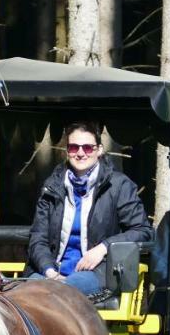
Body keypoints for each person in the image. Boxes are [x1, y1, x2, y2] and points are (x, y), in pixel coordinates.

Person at [27, 121, 153, 297]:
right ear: (67, 151)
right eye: (73, 148)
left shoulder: (118, 186)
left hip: (99, 271)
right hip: (52, 272)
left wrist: (104, 248)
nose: (80, 153)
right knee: (24, 294)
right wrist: (50, 271)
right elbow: (38, 239)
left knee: (64, 291)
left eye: (87, 148)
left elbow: (142, 230)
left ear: (99, 150)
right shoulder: (52, 186)